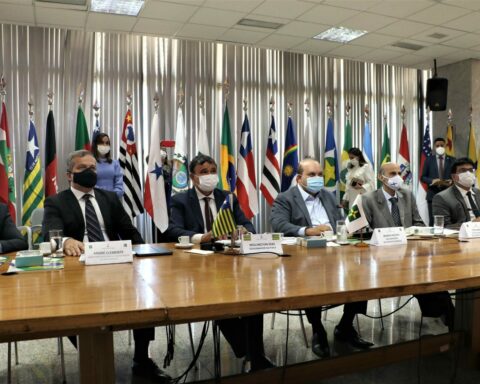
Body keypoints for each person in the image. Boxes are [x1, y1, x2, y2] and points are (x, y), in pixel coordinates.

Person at [42, 150, 170, 383]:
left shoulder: (109, 197)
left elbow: (129, 232)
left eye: (93, 168)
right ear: (69, 175)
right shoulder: (56, 201)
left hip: (114, 262)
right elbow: (49, 236)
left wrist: (144, 254)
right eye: (83, 169)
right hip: (78, 270)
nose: (90, 173)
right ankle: (91, 353)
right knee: (69, 307)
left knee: (145, 296)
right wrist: (67, 241)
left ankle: (142, 358)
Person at [167, 154, 273, 371]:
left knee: (255, 297)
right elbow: (172, 230)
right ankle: (249, 350)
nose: (209, 176)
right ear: (193, 177)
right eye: (204, 172)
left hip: (230, 261)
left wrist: (243, 230)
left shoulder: (227, 197)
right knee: (217, 298)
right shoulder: (180, 200)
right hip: (195, 267)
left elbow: (248, 225)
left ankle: (255, 354)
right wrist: (201, 237)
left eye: (213, 171)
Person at [271, 158, 373, 359]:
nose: (317, 179)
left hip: (336, 251)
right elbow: (278, 224)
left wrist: (350, 228)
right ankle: (318, 330)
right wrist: (308, 230)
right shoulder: (285, 198)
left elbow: (339, 222)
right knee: (312, 280)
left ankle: (345, 326)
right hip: (304, 256)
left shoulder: (327, 196)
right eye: (312, 175)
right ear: (299, 178)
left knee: (361, 273)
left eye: (320, 174)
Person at [362, 162, 455, 330]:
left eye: (399, 173)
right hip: (382, 259)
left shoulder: (407, 194)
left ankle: (450, 320)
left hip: (410, 256)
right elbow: (364, 232)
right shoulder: (369, 199)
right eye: (392, 173)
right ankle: (444, 315)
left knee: (434, 278)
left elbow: (418, 222)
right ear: (380, 177)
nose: (397, 176)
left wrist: (417, 233)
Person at [432, 157, 480, 229]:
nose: (468, 173)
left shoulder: (478, 193)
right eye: (463, 170)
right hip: (461, 238)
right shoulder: (442, 197)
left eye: (471, 170)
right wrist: (473, 224)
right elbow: (443, 227)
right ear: (454, 177)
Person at [421, 137, 455, 226]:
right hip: (433, 195)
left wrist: (452, 181)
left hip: (449, 194)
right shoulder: (429, 160)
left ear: (445, 146)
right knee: (433, 221)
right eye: (437, 146)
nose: (439, 147)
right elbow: (423, 177)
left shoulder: (453, 160)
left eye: (442, 145)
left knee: (448, 220)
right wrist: (432, 181)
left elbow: (456, 175)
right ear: (434, 147)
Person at [92, 133, 124, 198]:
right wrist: (106, 195)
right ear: (96, 145)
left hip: (113, 199)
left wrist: (113, 196)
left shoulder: (115, 163)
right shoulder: (90, 162)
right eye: (101, 143)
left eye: (107, 143)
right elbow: (90, 184)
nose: (104, 145)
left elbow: (119, 184)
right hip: (96, 198)